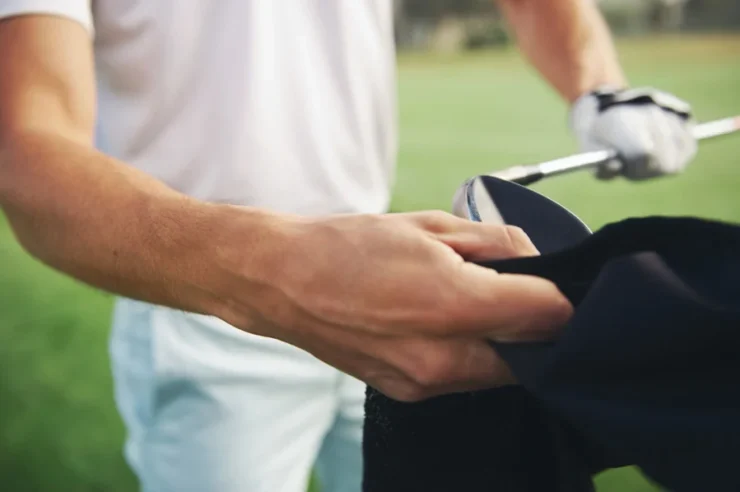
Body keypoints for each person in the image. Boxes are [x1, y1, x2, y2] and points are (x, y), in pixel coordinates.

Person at [0, 1, 696, 491]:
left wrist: (599, 89)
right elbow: (30, 149)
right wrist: (286, 270)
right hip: (203, 307)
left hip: (385, 269)